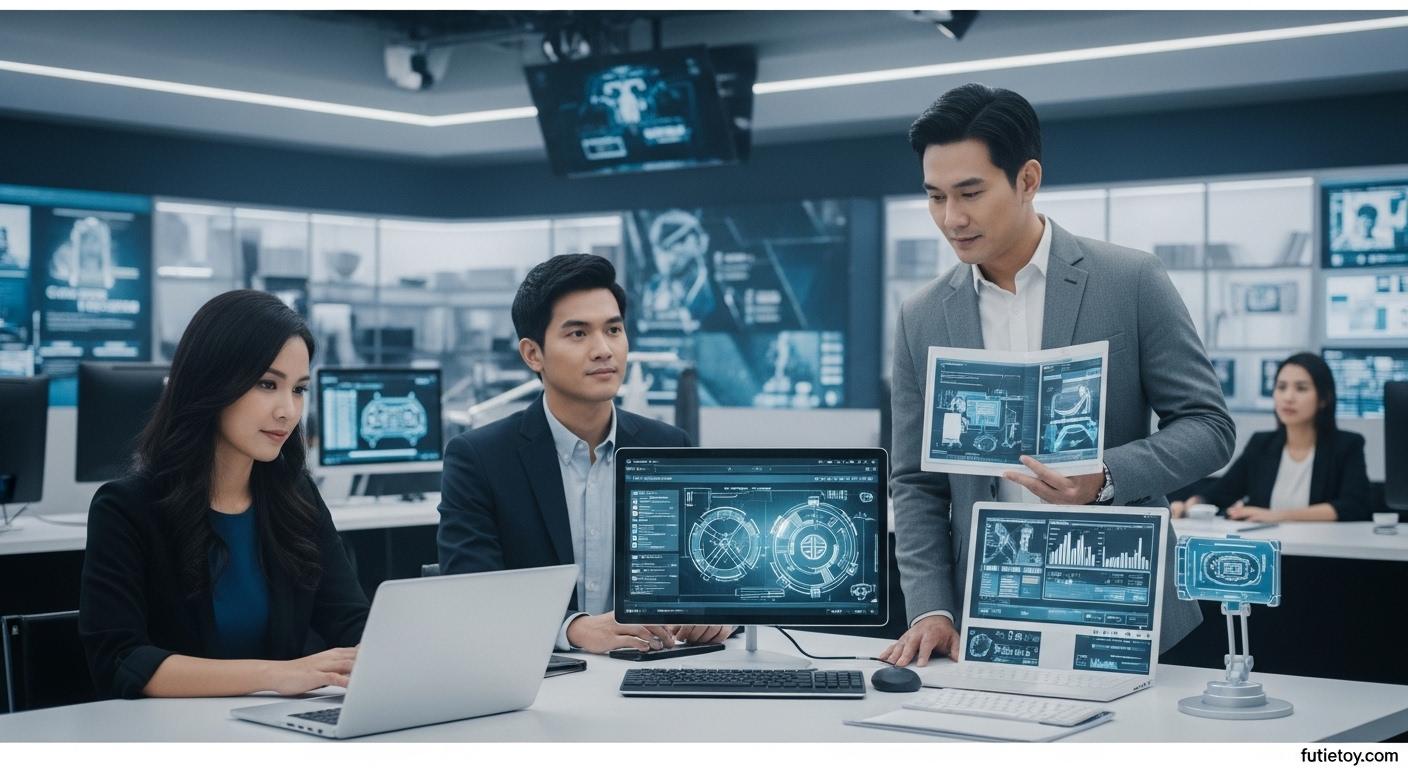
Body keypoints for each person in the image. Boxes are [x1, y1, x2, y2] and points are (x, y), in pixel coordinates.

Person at [881, 83, 1234, 667]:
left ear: (1027, 180)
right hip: (986, 618)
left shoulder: (1130, 280)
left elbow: (1209, 426)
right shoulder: (922, 315)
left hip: (1122, 604)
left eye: (970, 192)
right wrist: (931, 608)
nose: (952, 218)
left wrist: (1105, 477)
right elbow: (916, 481)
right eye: (936, 196)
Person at [80, 290, 369, 699]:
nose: (288, 410)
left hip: (275, 730)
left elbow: (352, 623)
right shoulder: (127, 509)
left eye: (299, 389)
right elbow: (121, 661)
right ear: (212, 382)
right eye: (267, 384)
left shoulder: (296, 497)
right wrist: (275, 675)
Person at [437, 253, 733, 654]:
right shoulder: (479, 458)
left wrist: (714, 610)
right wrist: (572, 630)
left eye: (613, 330)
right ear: (532, 354)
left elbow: (705, 572)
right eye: (578, 334)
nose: (603, 350)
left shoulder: (668, 446)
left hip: (652, 675)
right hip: (541, 684)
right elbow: (471, 596)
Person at [1173, 352, 1372, 522]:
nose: (1288, 397)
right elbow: (1221, 493)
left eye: (1301, 388)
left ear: (1324, 399)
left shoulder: (1347, 445)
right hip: (1268, 552)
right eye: (1281, 387)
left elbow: (1354, 506)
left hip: (1324, 555)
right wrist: (1191, 504)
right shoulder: (1261, 444)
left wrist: (1277, 515)